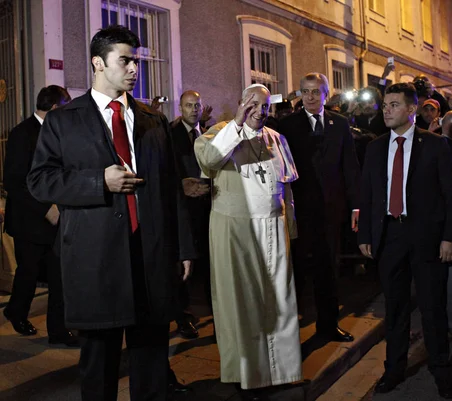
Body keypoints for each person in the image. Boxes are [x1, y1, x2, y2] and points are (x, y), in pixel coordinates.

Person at [26, 25, 196, 401]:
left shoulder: (152, 121)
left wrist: (183, 248)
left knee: (151, 360)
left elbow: (172, 190)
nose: (135, 68)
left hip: (149, 256)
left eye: (136, 60)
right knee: (99, 364)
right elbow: (40, 182)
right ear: (98, 63)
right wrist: (98, 182)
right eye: (126, 60)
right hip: (97, 259)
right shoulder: (63, 121)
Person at [194, 84, 302, 396]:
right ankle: (246, 375)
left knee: (279, 302)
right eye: (252, 104)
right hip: (236, 231)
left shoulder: (277, 139)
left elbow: (288, 190)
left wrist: (290, 229)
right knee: (241, 305)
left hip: (274, 230)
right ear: (241, 103)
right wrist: (237, 125)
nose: (259, 110)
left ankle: (282, 371)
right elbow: (209, 161)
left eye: (265, 105)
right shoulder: (219, 131)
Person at [357, 82, 452, 399]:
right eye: (384, 105)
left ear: (411, 109)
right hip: (390, 236)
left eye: (393, 104)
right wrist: (365, 233)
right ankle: (394, 369)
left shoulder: (436, 146)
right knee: (396, 309)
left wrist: (450, 237)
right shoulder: (375, 148)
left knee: (432, 307)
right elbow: (369, 194)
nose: (386, 110)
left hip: (426, 237)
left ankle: (441, 371)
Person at [278, 72, 360, 343]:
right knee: (297, 269)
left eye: (315, 92)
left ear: (326, 93)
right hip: (298, 210)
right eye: (305, 91)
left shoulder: (340, 124)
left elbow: (350, 166)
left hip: (331, 210)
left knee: (328, 269)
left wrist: (355, 206)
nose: (310, 97)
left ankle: (328, 326)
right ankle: (291, 331)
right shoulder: (287, 125)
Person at [3, 85, 77, 346]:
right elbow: (14, 182)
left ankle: (58, 330)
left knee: (59, 276)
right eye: (66, 108)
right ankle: (17, 312)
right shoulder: (21, 134)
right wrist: (46, 209)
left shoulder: (59, 132)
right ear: (55, 108)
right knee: (28, 273)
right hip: (29, 221)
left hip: (57, 219)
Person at [170, 90, 212, 339]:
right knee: (184, 267)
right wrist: (182, 185)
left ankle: (216, 313)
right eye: (189, 105)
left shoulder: (207, 134)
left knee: (208, 264)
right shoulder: (171, 135)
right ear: (180, 108)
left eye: (197, 105)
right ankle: (183, 316)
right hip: (184, 208)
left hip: (206, 206)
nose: (194, 109)